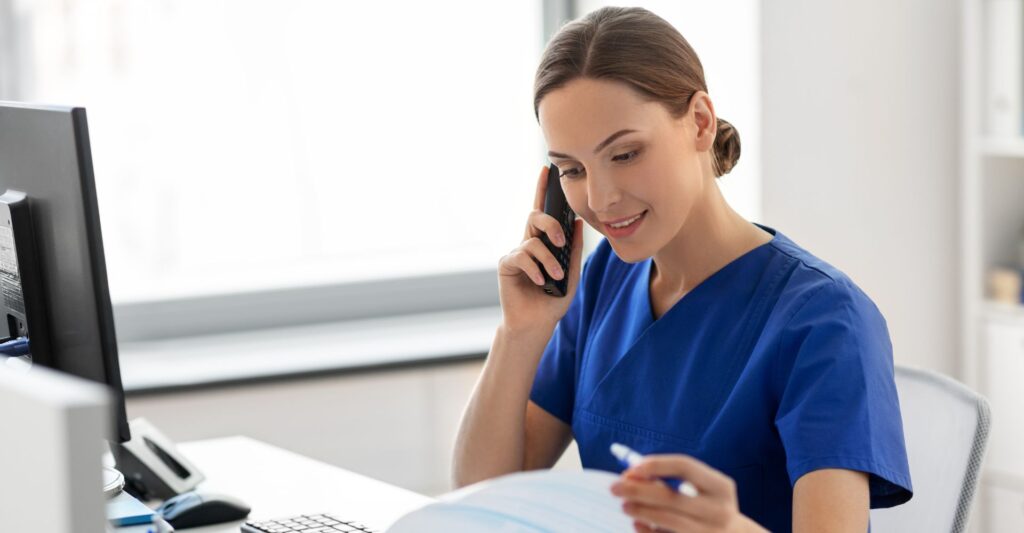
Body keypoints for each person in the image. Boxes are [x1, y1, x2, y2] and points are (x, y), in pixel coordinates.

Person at [452, 6, 912, 532]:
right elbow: (478, 495)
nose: (600, 199)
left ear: (699, 122)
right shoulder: (604, 279)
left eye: (625, 154)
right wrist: (520, 332)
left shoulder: (826, 320)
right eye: (572, 170)